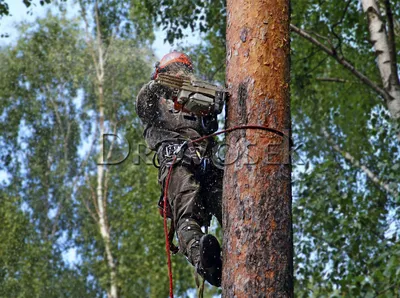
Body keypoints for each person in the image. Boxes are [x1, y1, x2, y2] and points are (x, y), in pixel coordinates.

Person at [135, 51, 223, 287]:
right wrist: (160, 87)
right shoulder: (155, 107)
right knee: (187, 214)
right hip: (177, 161)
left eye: (183, 72)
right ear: (162, 74)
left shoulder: (197, 105)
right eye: (174, 73)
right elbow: (143, 102)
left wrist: (216, 101)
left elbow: (214, 124)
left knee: (231, 207)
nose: (181, 77)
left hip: (210, 166)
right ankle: (204, 260)